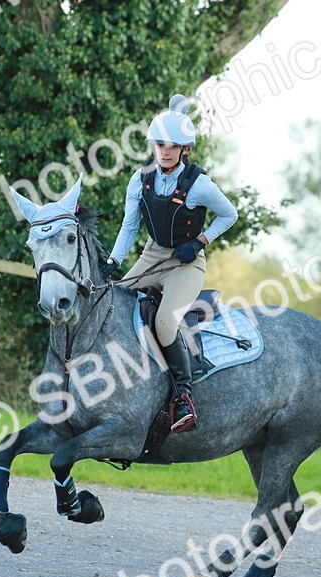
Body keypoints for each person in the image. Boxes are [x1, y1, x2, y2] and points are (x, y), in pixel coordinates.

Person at [106, 94, 238, 434]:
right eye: (160, 144)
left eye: (173, 146)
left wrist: (200, 242)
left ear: (185, 149)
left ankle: (183, 396)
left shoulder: (199, 184)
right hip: (153, 255)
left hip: (186, 264)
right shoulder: (139, 180)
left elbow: (230, 214)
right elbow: (129, 227)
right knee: (110, 303)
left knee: (165, 322)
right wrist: (113, 261)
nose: (165, 151)